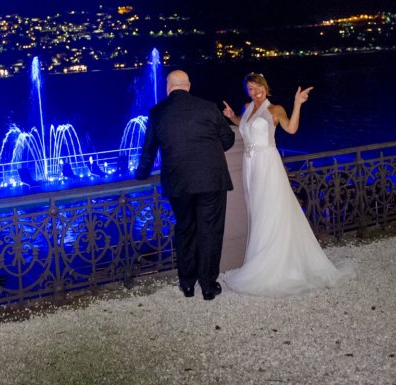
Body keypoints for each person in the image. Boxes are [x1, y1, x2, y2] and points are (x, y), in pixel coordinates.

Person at [222, 72, 355, 296]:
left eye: (258, 87)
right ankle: (260, 258)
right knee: (258, 211)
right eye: (251, 88)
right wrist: (232, 116)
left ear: (266, 86)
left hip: (267, 164)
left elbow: (291, 129)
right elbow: (245, 127)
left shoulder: (275, 110)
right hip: (250, 166)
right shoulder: (246, 108)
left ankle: (274, 265)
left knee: (272, 211)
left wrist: (297, 104)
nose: (255, 92)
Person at [134, 70, 235, 300]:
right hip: (211, 180)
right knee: (210, 231)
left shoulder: (157, 112)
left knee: (185, 229)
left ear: (168, 87)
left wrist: (141, 174)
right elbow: (228, 138)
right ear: (189, 86)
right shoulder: (208, 107)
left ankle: (187, 284)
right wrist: (210, 152)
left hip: (178, 183)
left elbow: (148, 152)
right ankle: (208, 286)